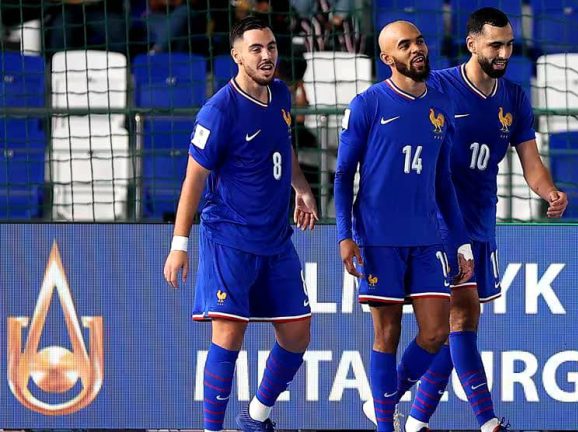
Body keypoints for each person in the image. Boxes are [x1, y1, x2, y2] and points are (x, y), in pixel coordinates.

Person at [400, 8, 568, 432]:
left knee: (459, 328)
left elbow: (531, 163)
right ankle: (488, 421)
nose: (504, 52)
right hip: (440, 223)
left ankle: (410, 417)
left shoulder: (513, 97)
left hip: (481, 223)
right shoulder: (437, 87)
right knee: (457, 320)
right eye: (496, 44)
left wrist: (549, 192)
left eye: (509, 44)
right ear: (472, 44)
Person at [162, 17, 318, 432]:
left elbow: (283, 147)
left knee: (298, 333)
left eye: (270, 47)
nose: (266, 55)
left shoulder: (281, 94)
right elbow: (193, 179)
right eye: (256, 49)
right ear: (237, 55)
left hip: (277, 238)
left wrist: (300, 187)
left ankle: (257, 416)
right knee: (228, 338)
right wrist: (180, 243)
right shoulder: (219, 111)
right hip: (229, 237)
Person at [335, 20, 474, 432]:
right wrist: (345, 236)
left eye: (419, 40)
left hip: (427, 235)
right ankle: (384, 424)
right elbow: (343, 175)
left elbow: (443, 180)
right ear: (387, 58)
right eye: (405, 45)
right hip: (378, 237)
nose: (417, 49)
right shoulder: (368, 104)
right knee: (388, 335)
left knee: (435, 332)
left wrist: (461, 244)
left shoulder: (442, 103)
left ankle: (383, 398)